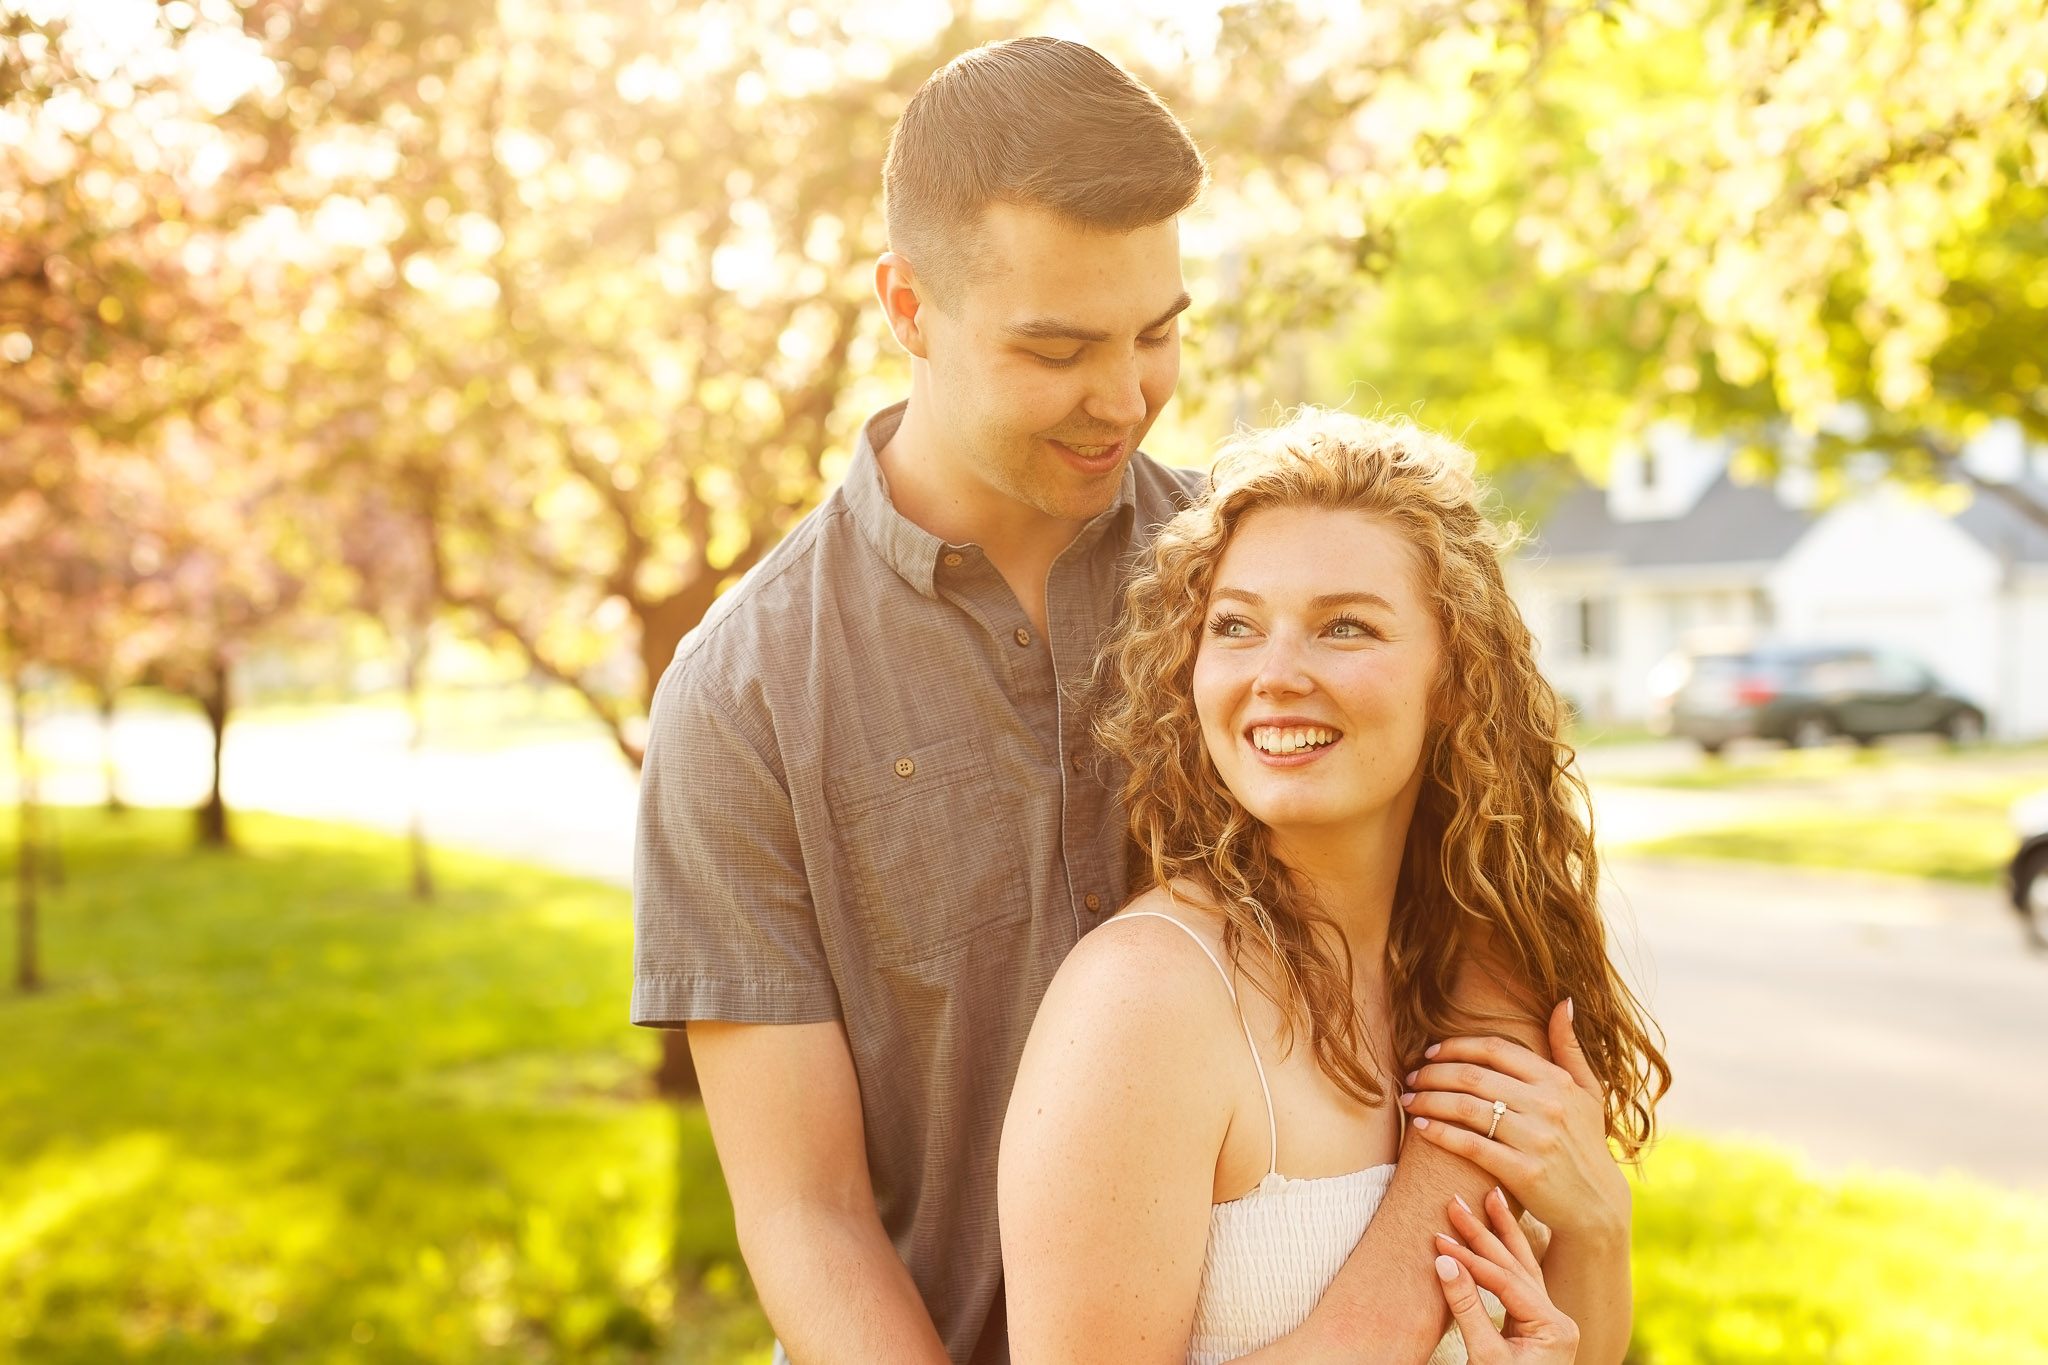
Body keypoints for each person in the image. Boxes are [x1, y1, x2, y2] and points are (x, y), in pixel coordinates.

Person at [635, 38, 1616, 1365]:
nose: (1126, 397)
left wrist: (1380, 1318)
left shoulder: (1247, 580)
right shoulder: (742, 696)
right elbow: (806, 1214)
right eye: (1059, 348)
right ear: (909, 307)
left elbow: (1478, 880)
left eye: (1156, 334)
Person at [999, 410, 1670, 1364]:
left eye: (1344, 626)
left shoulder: (1478, 973)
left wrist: (1599, 1231)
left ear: (1456, 676)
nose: (1275, 674)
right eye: (1235, 626)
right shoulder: (1147, 998)